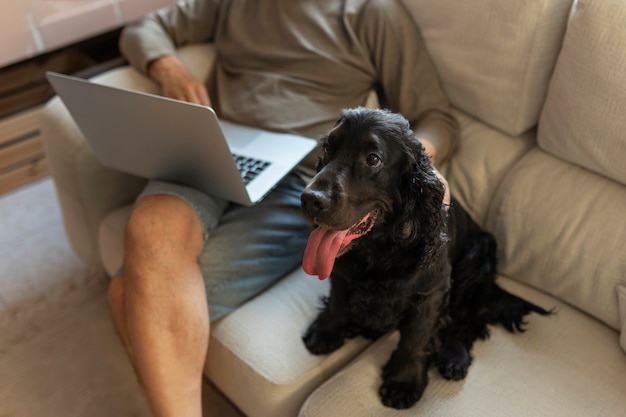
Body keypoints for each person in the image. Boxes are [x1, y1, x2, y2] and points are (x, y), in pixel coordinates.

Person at [109, 0, 459, 416]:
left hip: (302, 181)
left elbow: (437, 118)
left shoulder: (371, 13)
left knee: (125, 293)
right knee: (148, 225)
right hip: (212, 149)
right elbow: (142, 29)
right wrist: (169, 68)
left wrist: (424, 167)